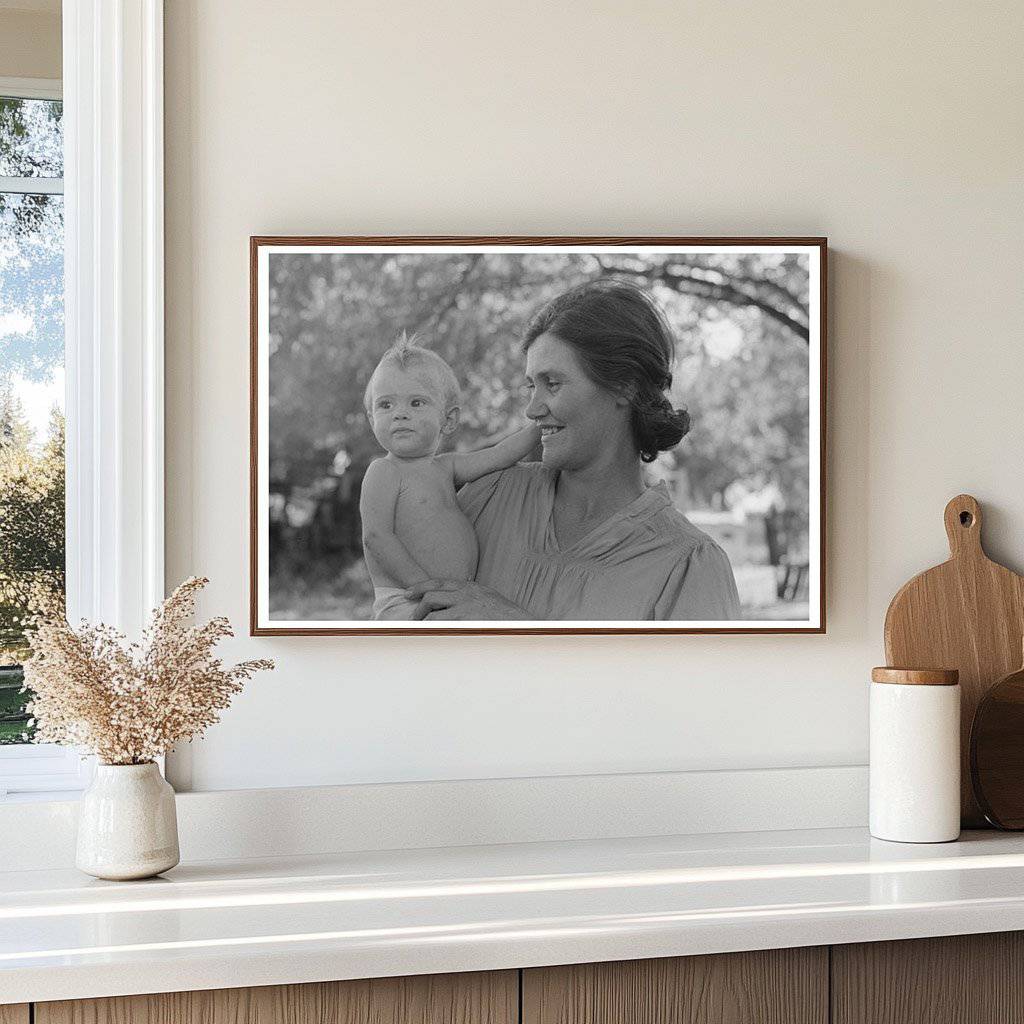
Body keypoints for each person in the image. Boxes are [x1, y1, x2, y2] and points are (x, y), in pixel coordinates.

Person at [406, 281, 741, 621]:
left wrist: (518, 628)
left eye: (552, 383)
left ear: (625, 385)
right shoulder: (490, 496)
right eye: (530, 386)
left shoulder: (687, 566)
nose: (532, 409)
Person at [359, 334, 540, 619]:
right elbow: (376, 537)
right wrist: (424, 588)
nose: (399, 415)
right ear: (372, 419)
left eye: (416, 403)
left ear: (449, 419)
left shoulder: (446, 467)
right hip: (405, 601)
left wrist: (537, 427)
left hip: (447, 598)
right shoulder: (384, 471)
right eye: (386, 405)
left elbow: (501, 454)